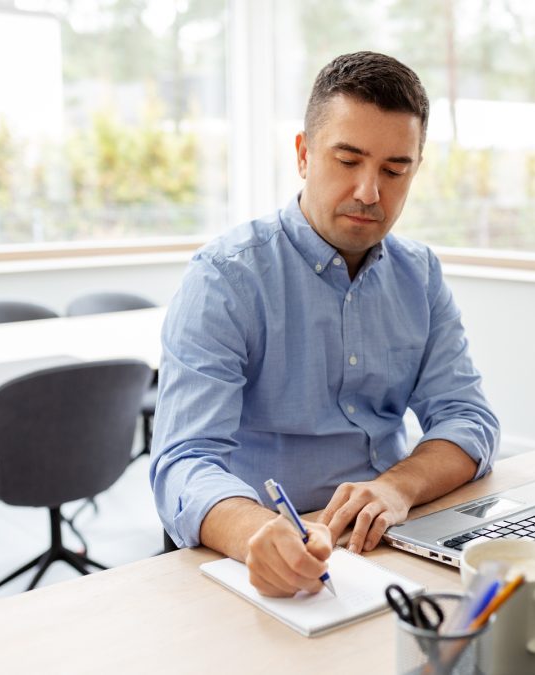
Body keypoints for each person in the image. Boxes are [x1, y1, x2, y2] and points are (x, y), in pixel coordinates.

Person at [150, 51, 499, 597]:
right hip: (272, 548)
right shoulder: (225, 278)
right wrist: (255, 533)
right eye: (348, 160)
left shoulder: (420, 275)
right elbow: (182, 461)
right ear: (304, 155)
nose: (369, 192)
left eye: (393, 170)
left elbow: (468, 419)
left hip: (388, 537)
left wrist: (395, 487)